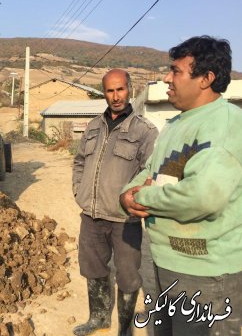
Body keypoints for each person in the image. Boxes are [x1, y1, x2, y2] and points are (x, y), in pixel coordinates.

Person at [120, 36, 242, 335]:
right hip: (168, 263)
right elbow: (150, 170)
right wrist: (127, 196)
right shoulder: (176, 124)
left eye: (175, 71)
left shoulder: (225, 124)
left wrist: (145, 196)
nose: (166, 78)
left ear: (206, 78)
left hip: (208, 274)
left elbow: (202, 197)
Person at [72, 69, 158, 336]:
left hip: (124, 219)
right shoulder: (94, 127)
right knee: (93, 269)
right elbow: (79, 162)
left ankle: (124, 328)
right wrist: (79, 192)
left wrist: (137, 201)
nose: (116, 96)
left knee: (128, 276)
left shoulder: (144, 131)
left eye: (120, 89)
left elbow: (152, 173)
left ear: (129, 89)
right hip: (92, 216)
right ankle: (98, 318)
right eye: (110, 90)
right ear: (104, 93)